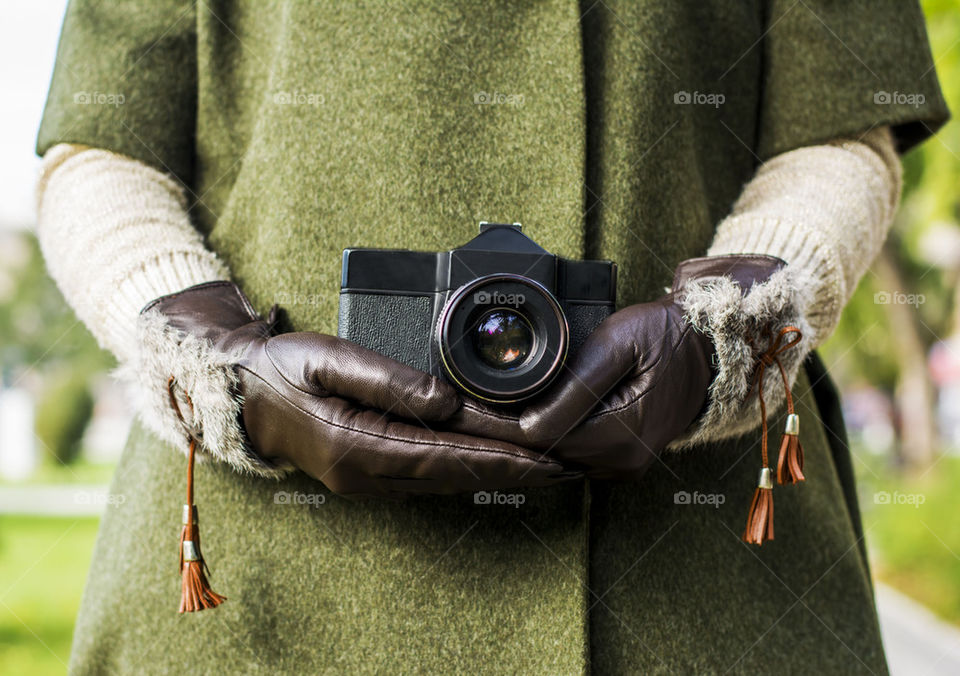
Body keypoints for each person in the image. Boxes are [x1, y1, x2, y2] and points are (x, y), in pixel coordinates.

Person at [36, 0, 948, 672]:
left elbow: (839, 132)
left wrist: (720, 344)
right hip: (259, 584)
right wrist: (221, 375)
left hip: (690, 587)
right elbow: (101, 150)